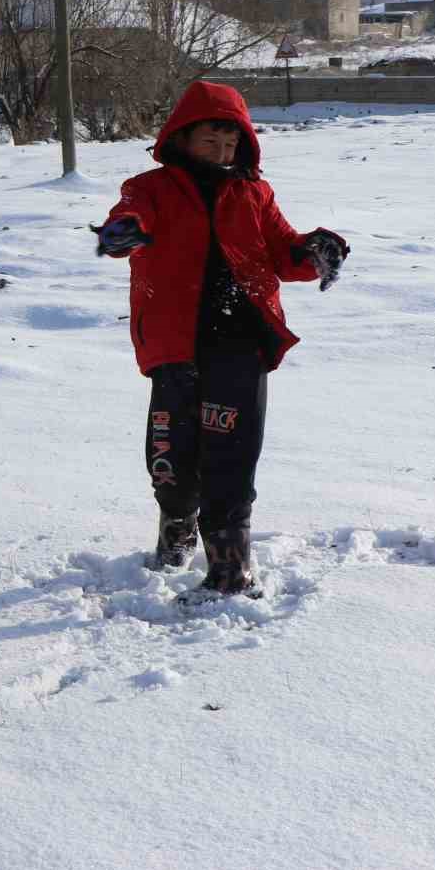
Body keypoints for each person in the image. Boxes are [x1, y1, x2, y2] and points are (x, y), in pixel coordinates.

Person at [93, 80, 349, 604]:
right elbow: (132, 218)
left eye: (231, 143)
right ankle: (177, 529)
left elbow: (283, 251)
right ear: (183, 138)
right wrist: (123, 231)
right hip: (175, 345)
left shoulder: (255, 192)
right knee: (171, 454)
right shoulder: (150, 189)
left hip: (240, 340)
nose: (222, 152)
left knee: (231, 455)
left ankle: (230, 568)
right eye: (211, 141)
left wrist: (315, 251)